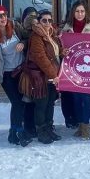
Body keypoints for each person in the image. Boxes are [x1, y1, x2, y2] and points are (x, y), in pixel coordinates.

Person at [0, 4, 30, 146]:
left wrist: (23, 43)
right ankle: (19, 131)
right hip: (7, 74)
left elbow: (29, 39)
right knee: (16, 102)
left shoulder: (15, 26)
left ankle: (13, 132)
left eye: (4, 15)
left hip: (21, 71)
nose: (3, 18)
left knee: (21, 102)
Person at [60, 0, 90, 140]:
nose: (80, 14)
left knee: (86, 98)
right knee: (76, 98)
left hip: (88, 70)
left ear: (86, 12)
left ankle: (86, 126)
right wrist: (62, 51)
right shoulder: (66, 28)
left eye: (82, 11)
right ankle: (80, 125)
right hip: (73, 68)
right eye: (77, 11)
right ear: (73, 12)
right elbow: (61, 47)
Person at [28, 9, 64, 144]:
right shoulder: (36, 37)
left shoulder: (51, 34)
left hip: (52, 77)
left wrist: (62, 52)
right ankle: (41, 132)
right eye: (44, 20)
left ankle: (49, 129)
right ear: (39, 21)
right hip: (41, 77)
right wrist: (53, 75)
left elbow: (55, 52)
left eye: (50, 20)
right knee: (41, 105)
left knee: (50, 104)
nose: (47, 23)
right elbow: (41, 58)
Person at [18, 7, 39, 139]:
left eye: (34, 16)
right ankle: (28, 126)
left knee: (39, 101)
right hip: (27, 71)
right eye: (29, 16)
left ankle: (39, 125)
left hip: (40, 71)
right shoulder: (21, 32)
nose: (32, 18)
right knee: (28, 100)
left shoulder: (40, 31)